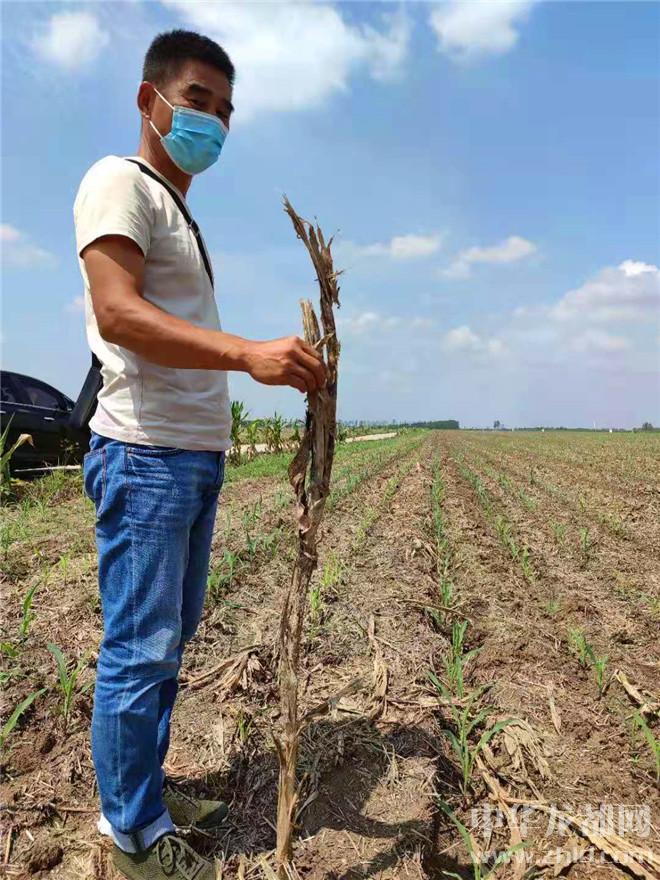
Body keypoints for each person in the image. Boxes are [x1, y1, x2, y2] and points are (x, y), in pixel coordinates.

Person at [73, 28, 327, 880]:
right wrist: (247, 354)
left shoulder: (175, 209)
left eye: (224, 110)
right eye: (196, 101)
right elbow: (118, 312)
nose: (212, 122)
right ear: (150, 100)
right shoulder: (119, 182)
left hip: (187, 457)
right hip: (145, 456)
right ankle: (132, 837)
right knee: (139, 649)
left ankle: (143, 793)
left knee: (165, 644)